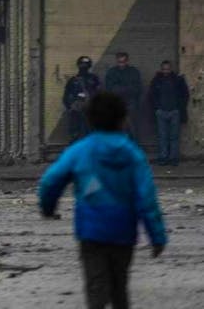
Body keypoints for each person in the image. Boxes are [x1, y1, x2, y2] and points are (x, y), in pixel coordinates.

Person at [38, 92, 167, 309]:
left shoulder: (81, 150)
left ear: (90, 119)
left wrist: (48, 208)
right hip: (124, 232)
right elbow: (146, 198)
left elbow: (50, 181)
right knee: (119, 288)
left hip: (91, 231)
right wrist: (157, 236)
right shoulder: (132, 154)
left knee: (96, 286)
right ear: (122, 119)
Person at [149, 60, 190, 166]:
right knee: (162, 136)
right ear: (161, 69)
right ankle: (163, 157)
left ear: (171, 69)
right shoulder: (156, 80)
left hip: (174, 112)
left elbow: (185, 95)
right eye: (164, 69)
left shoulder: (178, 80)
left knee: (174, 136)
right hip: (161, 112)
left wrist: (179, 108)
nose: (165, 71)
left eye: (167, 69)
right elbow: (152, 95)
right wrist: (157, 109)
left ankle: (173, 158)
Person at [105, 52, 143, 143]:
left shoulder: (133, 72)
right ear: (116, 61)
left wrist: (121, 89)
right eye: (119, 62)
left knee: (132, 129)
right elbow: (110, 88)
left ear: (127, 61)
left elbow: (137, 89)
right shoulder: (112, 72)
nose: (121, 64)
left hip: (131, 104)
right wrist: (127, 89)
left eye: (123, 61)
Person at [63, 56, 101, 143]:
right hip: (77, 110)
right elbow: (66, 96)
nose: (84, 67)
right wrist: (71, 107)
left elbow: (99, 94)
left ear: (89, 66)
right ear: (78, 65)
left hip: (90, 110)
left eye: (86, 65)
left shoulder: (94, 79)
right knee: (75, 133)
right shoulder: (73, 80)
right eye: (82, 64)